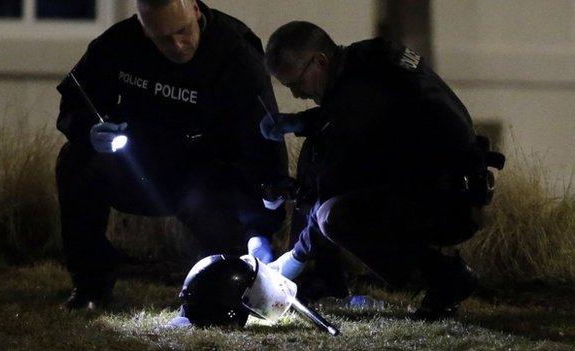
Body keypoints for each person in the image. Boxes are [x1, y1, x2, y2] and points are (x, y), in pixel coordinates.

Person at [261, 21, 504, 320]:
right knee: (320, 161)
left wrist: (296, 256)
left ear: (320, 62)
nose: (297, 94)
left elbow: (332, 179)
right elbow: (348, 112)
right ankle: (327, 276)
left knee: (332, 217)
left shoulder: (364, 87)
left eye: (296, 83)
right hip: (445, 188)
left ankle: (446, 278)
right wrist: (298, 122)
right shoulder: (369, 59)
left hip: (449, 203)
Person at [55, 0, 288, 309]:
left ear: (194, 8)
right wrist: (89, 131)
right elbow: (77, 100)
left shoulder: (234, 53)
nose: (178, 45)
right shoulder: (118, 44)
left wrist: (260, 226)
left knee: (229, 268)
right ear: (144, 29)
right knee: (76, 161)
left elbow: (261, 140)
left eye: (183, 31)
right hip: (137, 166)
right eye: (163, 38)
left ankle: (225, 289)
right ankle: (90, 286)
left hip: (205, 177)